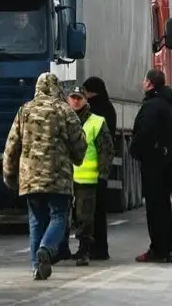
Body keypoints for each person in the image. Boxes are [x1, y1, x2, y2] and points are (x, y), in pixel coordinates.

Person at [2, 72, 87, 281]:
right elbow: (79, 143)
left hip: (30, 177)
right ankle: (46, 249)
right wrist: (77, 159)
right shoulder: (65, 111)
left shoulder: (25, 110)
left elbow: (12, 146)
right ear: (57, 88)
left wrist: (10, 175)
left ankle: (36, 266)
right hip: (58, 176)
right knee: (59, 216)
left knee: (36, 220)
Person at [58, 86, 114, 266]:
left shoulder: (97, 122)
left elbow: (106, 150)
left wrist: (103, 175)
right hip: (65, 177)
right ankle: (62, 249)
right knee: (62, 216)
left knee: (85, 218)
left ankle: (84, 251)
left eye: (79, 98)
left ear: (85, 100)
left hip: (87, 179)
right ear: (68, 100)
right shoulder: (61, 120)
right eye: (72, 98)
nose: (75, 101)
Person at [130, 69, 172, 263]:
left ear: (150, 83)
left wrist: (136, 150)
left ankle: (158, 249)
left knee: (154, 207)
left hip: (153, 161)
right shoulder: (169, 104)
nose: (143, 83)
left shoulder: (152, 105)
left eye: (145, 80)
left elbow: (145, 133)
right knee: (164, 206)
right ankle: (167, 247)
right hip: (166, 159)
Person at [83, 76, 118, 260]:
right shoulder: (109, 108)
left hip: (90, 169)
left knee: (90, 212)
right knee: (99, 210)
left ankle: (94, 248)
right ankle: (100, 247)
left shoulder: (93, 111)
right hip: (102, 168)